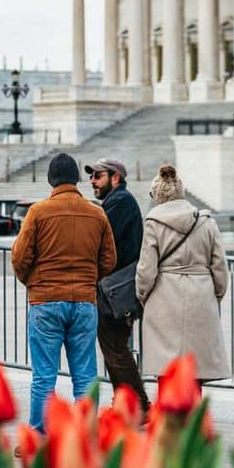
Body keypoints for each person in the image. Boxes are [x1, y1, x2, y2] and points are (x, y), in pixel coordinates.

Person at [11, 153, 117, 433]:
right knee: (84, 375)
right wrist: (88, 280)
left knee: (44, 376)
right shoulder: (97, 213)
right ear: (78, 179)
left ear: (50, 180)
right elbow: (109, 260)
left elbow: (20, 257)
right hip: (83, 301)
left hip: (45, 301)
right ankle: (85, 436)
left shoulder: (38, 212)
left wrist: (33, 282)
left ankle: (39, 436)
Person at [136, 164, 230, 390]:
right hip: (201, 294)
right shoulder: (206, 222)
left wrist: (142, 295)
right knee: (194, 369)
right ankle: (193, 418)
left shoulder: (153, 223)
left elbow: (146, 269)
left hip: (164, 298)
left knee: (166, 366)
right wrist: (215, 294)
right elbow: (219, 265)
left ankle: (170, 420)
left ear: (157, 195)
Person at [85, 158, 151, 416]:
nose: (93, 181)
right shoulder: (115, 202)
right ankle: (129, 405)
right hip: (113, 289)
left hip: (116, 291)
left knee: (116, 350)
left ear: (115, 178)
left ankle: (138, 406)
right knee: (114, 350)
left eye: (98, 176)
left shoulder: (120, 202)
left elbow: (99, 237)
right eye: (92, 176)